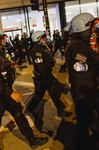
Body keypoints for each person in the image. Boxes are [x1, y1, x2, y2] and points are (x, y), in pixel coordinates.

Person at [0, 29, 49, 150]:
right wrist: (11, 93)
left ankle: (32, 140)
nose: (3, 41)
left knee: (19, 115)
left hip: (6, 91)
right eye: (1, 39)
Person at [66, 12, 99, 150]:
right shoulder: (77, 48)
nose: (93, 30)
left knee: (83, 124)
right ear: (82, 29)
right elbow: (82, 79)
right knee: (89, 124)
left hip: (84, 94)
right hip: (85, 95)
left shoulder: (79, 44)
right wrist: (90, 99)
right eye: (91, 27)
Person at [25, 31, 71, 118]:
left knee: (53, 92)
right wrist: (51, 78)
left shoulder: (43, 47)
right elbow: (40, 67)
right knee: (39, 95)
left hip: (47, 75)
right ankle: (29, 110)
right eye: (43, 37)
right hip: (42, 77)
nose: (45, 38)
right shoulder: (36, 50)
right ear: (39, 39)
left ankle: (60, 110)